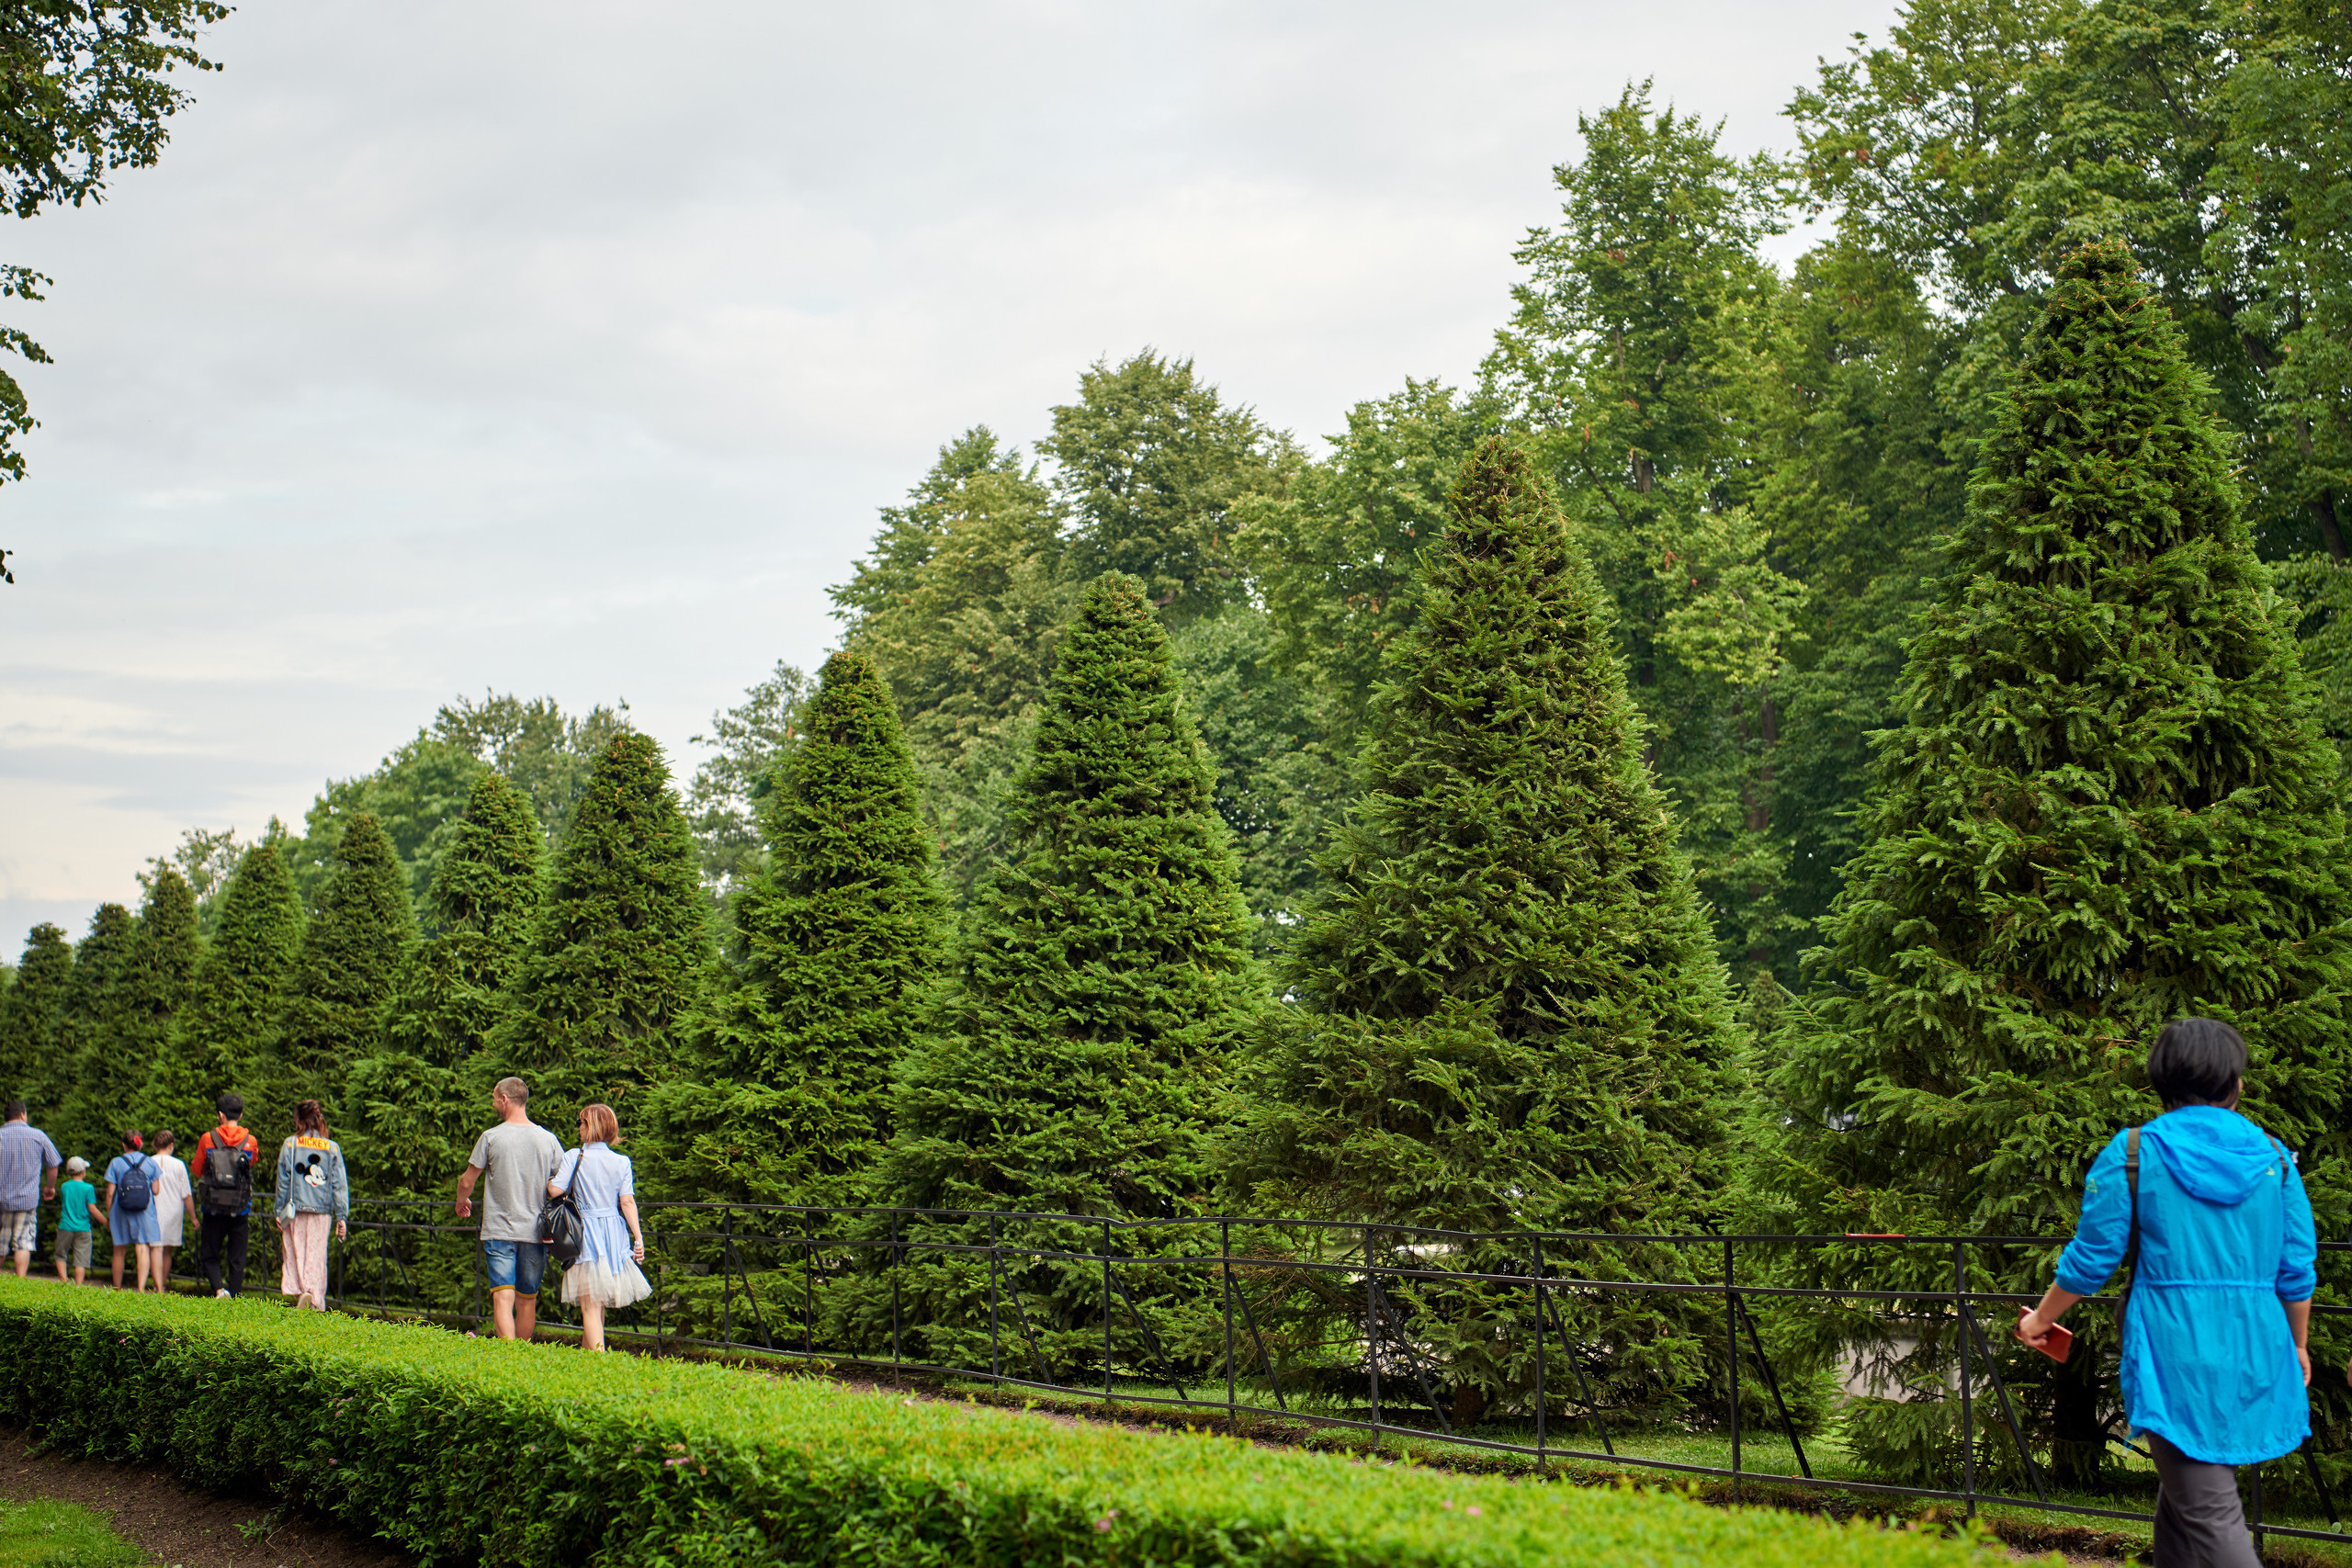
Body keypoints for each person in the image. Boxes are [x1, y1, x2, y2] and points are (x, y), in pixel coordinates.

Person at [2018, 1018, 2314, 1568]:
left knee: (2211, 1514)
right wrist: (2297, 1344)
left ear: (2160, 1080)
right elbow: (2296, 1269)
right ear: (2236, 1083)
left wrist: (2040, 1320)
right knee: (2186, 1503)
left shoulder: (2135, 1152)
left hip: (2172, 1348)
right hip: (2255, 1346)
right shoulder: (2275, 1159)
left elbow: (2091, 1260)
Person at [454, 1077, 563, 1340]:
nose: (493, 1104)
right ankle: (520, 1355)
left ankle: (508, 1353)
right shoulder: (548, 1139)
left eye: (494, 1098)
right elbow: (561, 1183)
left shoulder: (491, 1137)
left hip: (499, 1230)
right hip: (535, 1232)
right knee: (527, 1300)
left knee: (502, 1298)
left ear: (504, 1099)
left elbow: (467, 1181)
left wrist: (462, 1201)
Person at [547, 1102, 647, 1352]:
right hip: (613, 1232)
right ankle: (588, 1357)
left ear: (591, 1126)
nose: (578, 1127)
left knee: (590, 1305)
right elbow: (627, 1202)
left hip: (586, 1231)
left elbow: (556, 1190)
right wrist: (638, 1238)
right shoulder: (621, 1161)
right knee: (597, 1302)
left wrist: (548, 1181)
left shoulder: (575, 1156)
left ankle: (600, 1361)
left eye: (581, 1122)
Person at [273, 1100, 348, 1310]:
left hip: (295, 1210)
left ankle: (303, 1292)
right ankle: (313, 1296)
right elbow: (339, 1184)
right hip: (322, 1211)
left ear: (298, 1121)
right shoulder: (332, 1147)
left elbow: (283, 1181)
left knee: (296, 1251)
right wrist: (342, 1215)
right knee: (316, 1255)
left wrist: (279, 1210)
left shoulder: (290, 1144)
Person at [190, 1093, 261, 1298]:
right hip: (240, 1206)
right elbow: (251, 1164)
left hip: (213, 1205)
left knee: (209, 1253)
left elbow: (197, 1169)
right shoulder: (250, 1141)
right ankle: (236, 1296)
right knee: (237, 1256)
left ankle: (219, 1290)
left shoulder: (207, 1138)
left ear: (220, 1115)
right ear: (241, 1115)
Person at [0, 1100, 61, 1279]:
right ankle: (21, 1281)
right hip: (27, 1200)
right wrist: (49, 1187)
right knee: (23, 1242)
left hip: (1, 1199)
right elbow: (53, 1163)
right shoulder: (38, 1136)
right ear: (22, 1114)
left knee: (0, 1243)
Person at [101, 1131, 163, 1292]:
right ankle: (141, 1288)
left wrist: (109, 1213)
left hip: (120, 1209)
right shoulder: (150, 1162)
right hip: (144, 1210)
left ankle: (117, 1288)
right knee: (142, 1247)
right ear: (140, 1144)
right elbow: (156, 1190)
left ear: (123, 1145)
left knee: (119, 1250)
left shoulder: (116, 1162)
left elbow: (110, 1192)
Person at [148, 1129, 194, 1292]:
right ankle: (161, 1284)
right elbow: (186, 1194)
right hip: (174, 1210)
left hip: (152, 1209)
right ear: (171, 1145)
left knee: (155, 1248)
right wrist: (193, 1217)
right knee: (167, 1250)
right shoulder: (179, 1164)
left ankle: (157, 1286)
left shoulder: (149, 1162)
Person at [53, 1156, 98, 1284]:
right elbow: (92, 1208)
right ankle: (78, 1285)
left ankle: (64, 1281)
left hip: (65, 1225)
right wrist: (105, 1222)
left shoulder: (64, 1187)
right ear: (83, 1171)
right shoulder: (88, 1188)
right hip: (83, 1227)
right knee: (81, 1260)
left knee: (60, 1254)